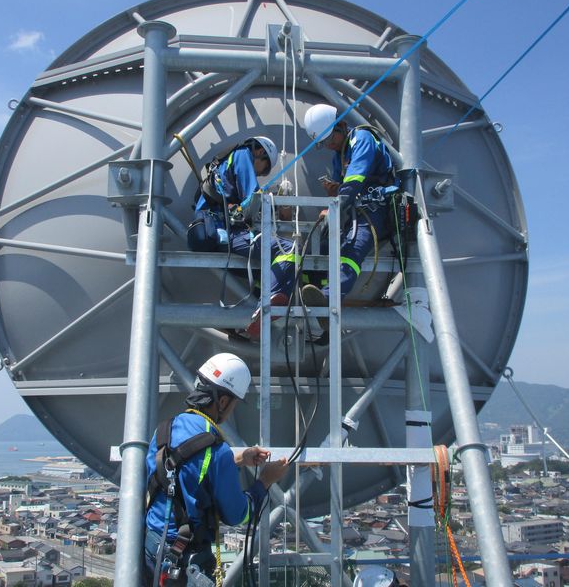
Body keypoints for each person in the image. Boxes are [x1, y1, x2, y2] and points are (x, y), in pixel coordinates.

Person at [144, 353, 289, 585]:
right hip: (184, 560)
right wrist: (265, 481)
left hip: (151, 547)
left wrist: (240, 458)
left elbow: (187, 470)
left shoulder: (164, 431)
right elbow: (238, 514)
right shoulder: (217, 450)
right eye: (232, 404)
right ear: (222, 402)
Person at [186, 136, 298, 340]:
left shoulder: (223, 164)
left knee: (263, 273)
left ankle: (246, 318)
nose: (259, 173)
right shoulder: (241, 155)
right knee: (288, 249)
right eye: (262, 169)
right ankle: (264, 307)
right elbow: (252, 197)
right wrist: (279, 201)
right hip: (224, 231)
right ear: (259, 152)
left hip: (216, 230)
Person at [300, 104, 398, 330]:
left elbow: (354, 181)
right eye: (324, 143)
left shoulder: (362, 138)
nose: (329, 145)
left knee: (354, 247)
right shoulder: (339, 155)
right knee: (323, 246)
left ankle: (329, 299)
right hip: (356, 210)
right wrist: (332, 196)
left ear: (341, 125)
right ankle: (315, 296)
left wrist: (333, 206)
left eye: (329, 139)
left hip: (377, 209)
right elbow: (343, 189)